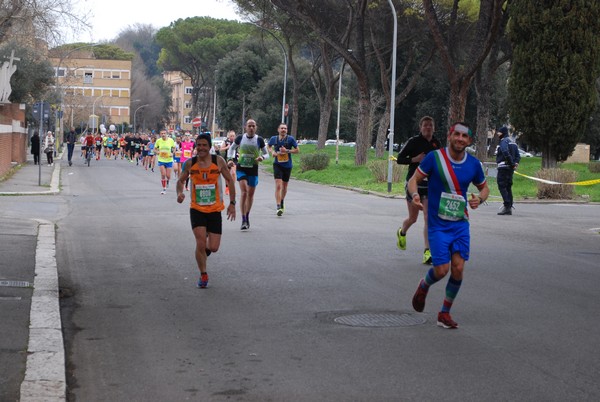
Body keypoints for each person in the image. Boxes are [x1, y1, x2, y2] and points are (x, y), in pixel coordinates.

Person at [409, 122, 489, 329]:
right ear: (450, 135)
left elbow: (485, 188)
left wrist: (479, 199)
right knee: (442, 270)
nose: (460, 139)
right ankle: (424, 285)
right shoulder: (435, 158)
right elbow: (413, 180)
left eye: (465, 136)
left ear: (469, 141)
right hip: (437, 225)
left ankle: (444, 313)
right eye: (457, 134)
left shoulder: (473, 164)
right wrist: (415, 194)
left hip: (460, 224)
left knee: (459, 268)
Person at [176, 133, 236, 288]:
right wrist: (179, 193)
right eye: (199, 145)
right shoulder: (190, 163)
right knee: (200, 242)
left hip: (215, 209)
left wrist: (232, 203)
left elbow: (229, 180)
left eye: (204, 145)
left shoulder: (218, 161)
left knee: (213, 247)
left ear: (210, 147)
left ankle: (204, 252)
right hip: (197, 209)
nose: (201, 148)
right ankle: (203, 274)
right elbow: (181, 180)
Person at [395, 116, 441, 264]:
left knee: (428, 217)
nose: (428, 128)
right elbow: (399, 159)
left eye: (430, 125)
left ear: (434, 128)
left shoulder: (436, 143)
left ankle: (427, 252)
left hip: (429, 186)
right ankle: (402, 232)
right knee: (413, 218)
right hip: (413, 184)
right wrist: (415, 159)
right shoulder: (413, 142)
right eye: (425, 125)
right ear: (420, 128)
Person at [227, 119, 269, 230]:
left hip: (253, 169)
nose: (251, 128)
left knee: (250, 194)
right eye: (249, 126)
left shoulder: (259, 140)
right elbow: (231, 149)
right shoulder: (240, 138)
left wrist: (262, 157)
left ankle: (247, 215)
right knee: (244, 192)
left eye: (253, 126)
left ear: (256, 127)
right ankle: (243, 219)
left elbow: (267, 154)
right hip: (241, 168)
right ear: (246, 127)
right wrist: (230, 159)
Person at [267, 123, 299, 216]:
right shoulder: (274, 139)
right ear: (278, 130)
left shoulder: (290, 139)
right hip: (277, 165)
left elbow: (297, 150)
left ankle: (281, 201)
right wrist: (272, 152)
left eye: (285, 128)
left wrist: (287, 151)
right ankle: (278, 206)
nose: (283, 130)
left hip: (287, 165)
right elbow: (268, 146)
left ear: (287, 130)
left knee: (284, 187)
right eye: (282, 128)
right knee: (278, 185)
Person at [496, 126, 520, 216]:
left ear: (502, 133)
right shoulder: (513, 142)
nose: (498, 134)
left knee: (502, 186)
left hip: (504, 167)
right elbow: (518, 155)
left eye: (499, 132)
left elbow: (505, 151)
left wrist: (511, 163)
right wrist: (515, 163)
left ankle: (507, 205)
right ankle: (509, 207)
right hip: (510, 169)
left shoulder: (504, 141)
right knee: (508, 187)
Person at [155, 129, 175, 194]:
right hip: (161, 160)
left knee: (168, 175)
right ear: (160, 134)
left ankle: (168, 181)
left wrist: (172, 153)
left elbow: (174, 148)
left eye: (164, 133)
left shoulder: (171, 140)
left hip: (169, 160)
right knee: (163, 174)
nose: (163, 135)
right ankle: (164, 188)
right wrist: (157, 152)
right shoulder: (158, 141)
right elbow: (155, 149)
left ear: (166, 134)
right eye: (162, 133)